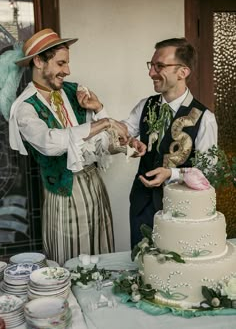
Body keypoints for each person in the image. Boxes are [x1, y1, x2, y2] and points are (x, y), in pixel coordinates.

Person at [7, 28, 130, 265]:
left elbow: (100, 143)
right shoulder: (25, 107)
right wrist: (104, 123)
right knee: (71, 260)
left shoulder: (75, 92)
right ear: (39, 61)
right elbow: (50, 143)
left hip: (95, 185)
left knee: (102, 256)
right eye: (61, 63)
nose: (68, 71)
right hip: (64, 192)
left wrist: (99, 109)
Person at [122, 37, 218, 249]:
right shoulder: (144, 106)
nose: (151, 73)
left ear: (182, 72)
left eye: (160, 66)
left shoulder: (205, 118)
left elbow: (208, 170)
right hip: (142, 206)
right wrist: (128, 142)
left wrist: (172, 174)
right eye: (151, 65)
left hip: (181, 212)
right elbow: (120, 138)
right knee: (144, 268)